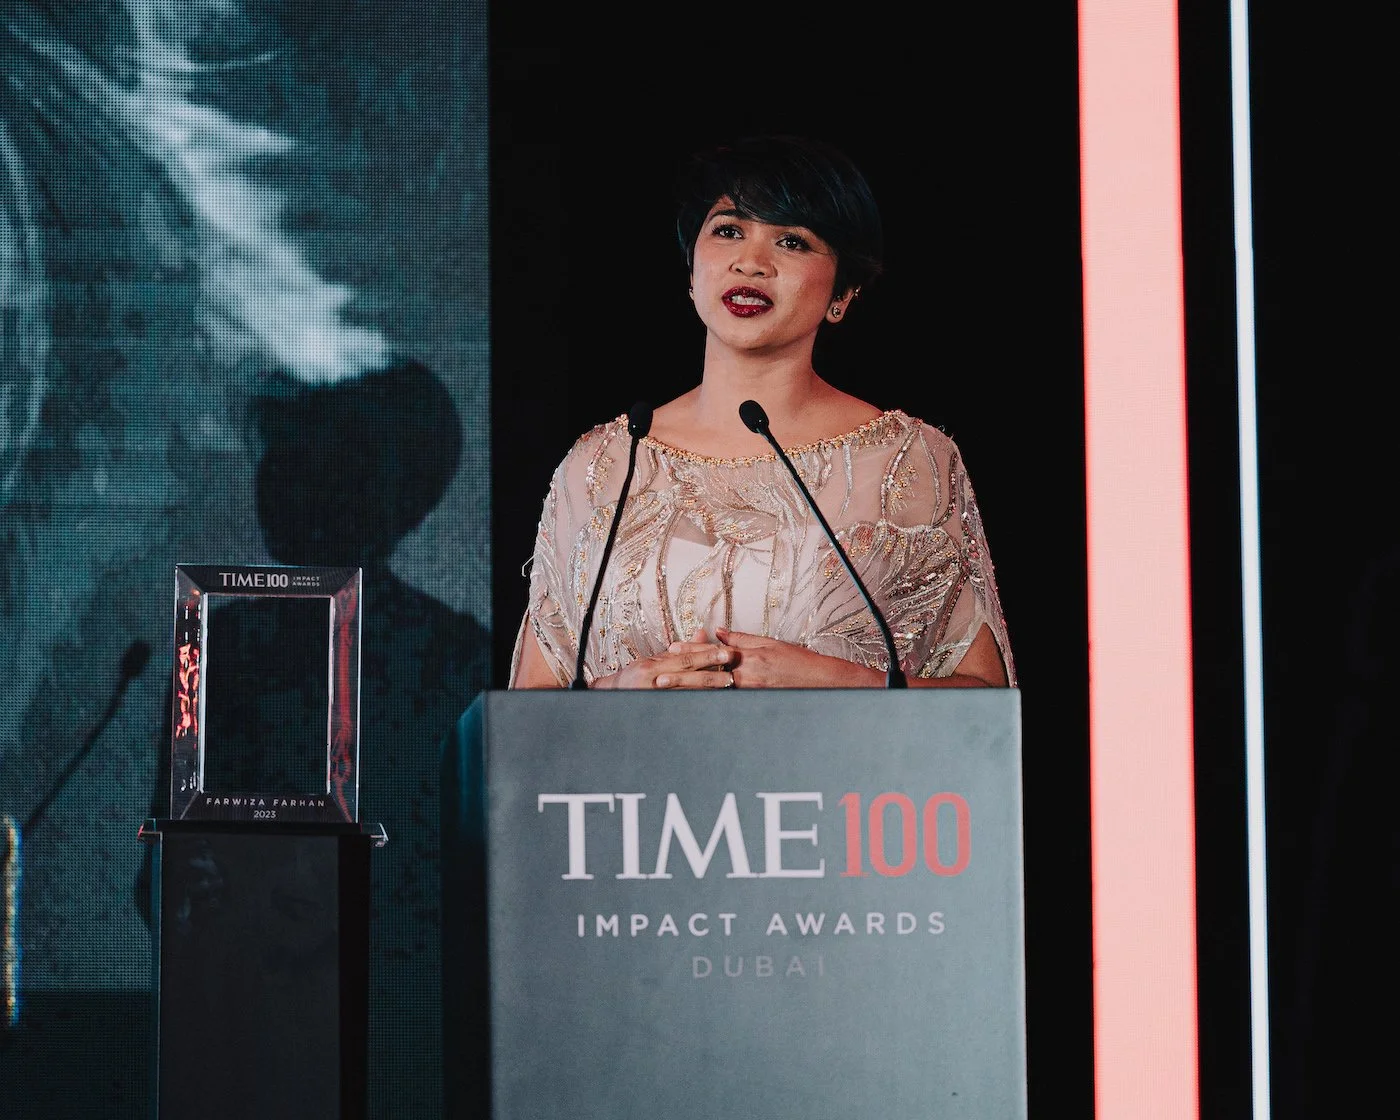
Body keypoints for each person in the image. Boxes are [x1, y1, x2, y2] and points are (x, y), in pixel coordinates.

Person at [510, 134, 1015, 691]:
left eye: (792, 241)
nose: (750, 263)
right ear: (692, 270)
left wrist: (833, 682)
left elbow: (983, 705)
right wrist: (621, 694)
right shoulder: (604, 464)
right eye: (728, 231)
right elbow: (528, 712)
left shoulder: (909, 460)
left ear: (843, 292)